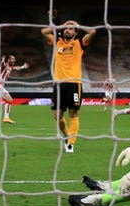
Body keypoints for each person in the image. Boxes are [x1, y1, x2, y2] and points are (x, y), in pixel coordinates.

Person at [41, 19, 96, 153]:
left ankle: (70, 144)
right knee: (57, 116)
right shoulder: (57, 42)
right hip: (58, 84)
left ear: (75, 33)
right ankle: (66, 135)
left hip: (74, 83)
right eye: (66, 29)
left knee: (73, 113)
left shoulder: (79, 43)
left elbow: (93, 31)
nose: (67, 30)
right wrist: (63, 25)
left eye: (71, 29)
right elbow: (43, 31)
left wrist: (78, 25)